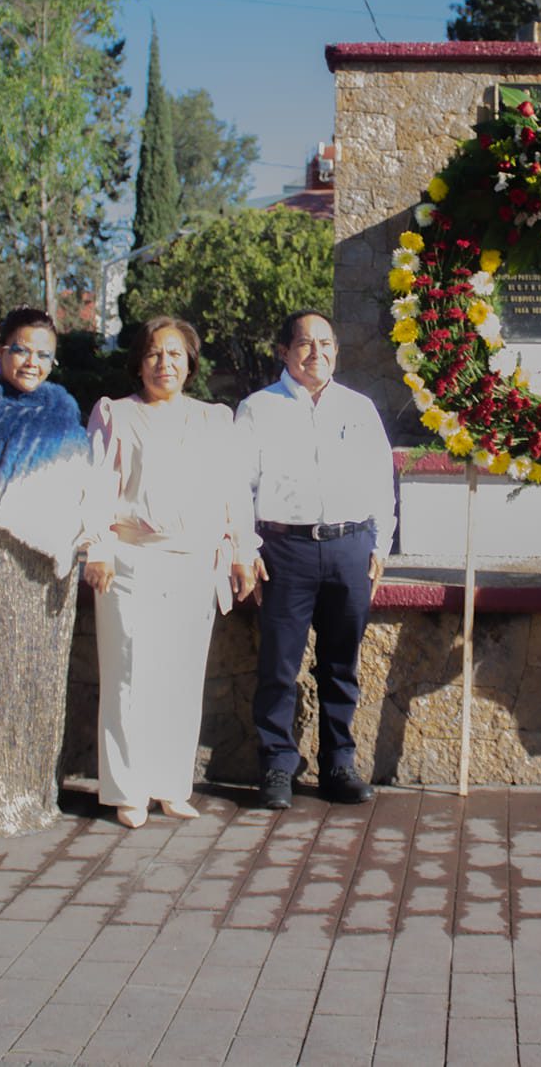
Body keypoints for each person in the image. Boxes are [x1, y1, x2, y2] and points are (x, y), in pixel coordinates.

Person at [0, 307, 109, 836]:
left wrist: (89, 542)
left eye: (44, 354)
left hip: (52, 567)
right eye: (22, 350)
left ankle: (31, 791)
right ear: (0, 350)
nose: (32, 362)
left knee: (40, 678)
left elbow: (82, 485)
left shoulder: (61, 406)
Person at [85, 318, 257, 828]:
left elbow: (234, 492)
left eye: (176, 355)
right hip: (132, 559)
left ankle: (171, 784)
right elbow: (96, 485)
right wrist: (97, 548)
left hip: (194, 562)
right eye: (156, 355)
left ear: (191, 363)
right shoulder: (117, 414)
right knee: (130, 675)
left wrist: (243, 551)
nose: (166, 364)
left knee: (182, 677)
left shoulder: (213, 420)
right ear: (139, 363)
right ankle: (128, 790)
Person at [236, 309, 395, 811]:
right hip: (286, 550)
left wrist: (379, 546)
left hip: (350, 548)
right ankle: (277, 767)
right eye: (305, 344)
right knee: (279, 667)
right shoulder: (258, 409)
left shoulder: (359, 408)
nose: (317, 353)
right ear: (284, 352)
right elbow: (238, 486)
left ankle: (338, 764)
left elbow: (380, 483)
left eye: (326, 343)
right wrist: (245, 547)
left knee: (340, 665)